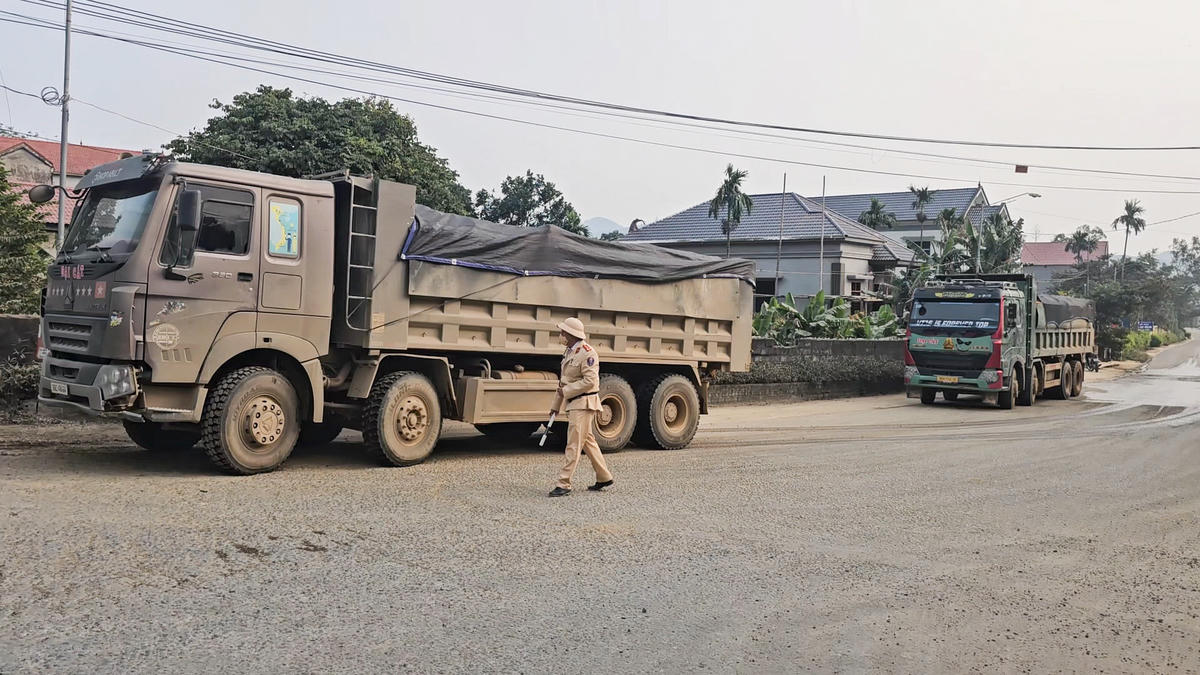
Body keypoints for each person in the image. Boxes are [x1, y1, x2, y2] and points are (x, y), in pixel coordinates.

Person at [548, 317, 614, 497]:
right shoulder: (569, 352)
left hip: (584, 403)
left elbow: (590, 381)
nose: (561, 335)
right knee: (587, 441)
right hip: (574, 402)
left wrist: (567, 391)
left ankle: (564, 483)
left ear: (571, 334)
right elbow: (563, 382)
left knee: (573, 444)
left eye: (563, 332)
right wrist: (555, 406)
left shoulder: (587, 353)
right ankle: (604, 476)